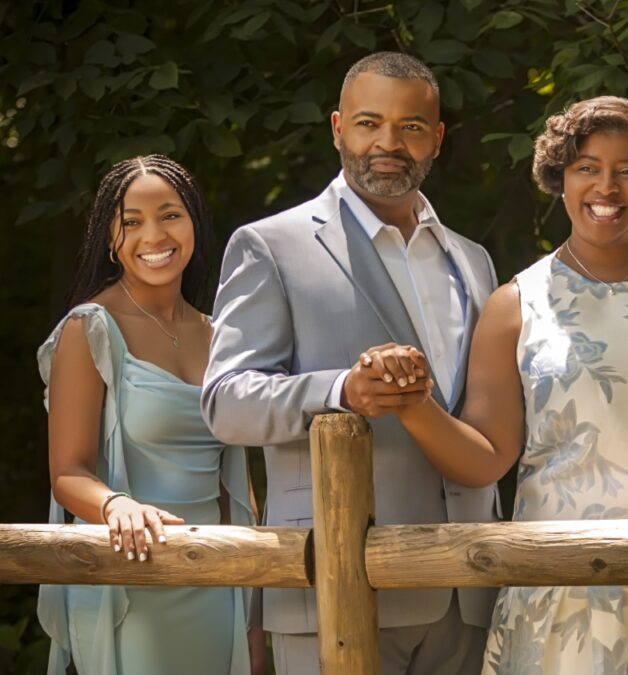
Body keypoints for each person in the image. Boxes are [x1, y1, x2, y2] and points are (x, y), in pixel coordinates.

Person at [368, 96, 628, 674]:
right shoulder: (516, 305)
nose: (607, 188)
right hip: (568, 592)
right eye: (587, 168)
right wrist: (412, 405)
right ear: (561, 179)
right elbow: (486, 459)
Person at [200, 52, 499, 675]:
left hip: (468, 585)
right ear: (338, 128)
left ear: (437, 139)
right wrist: (341, 389)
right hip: (335, 580)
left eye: (411, 127)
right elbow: (225, 402)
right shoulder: (271, 246)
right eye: (369, 123)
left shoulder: (473, 260)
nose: (388, 143)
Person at [37, 155, 262, 675]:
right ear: (110, 238)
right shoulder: (89, 329)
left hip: (216, 583)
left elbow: (236, 490)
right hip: (133, 582)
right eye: (131, 222)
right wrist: (116, 505)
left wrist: (252, 620)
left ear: (194, 223)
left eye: (170, 215)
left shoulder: (220, 335)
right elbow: (68, 473)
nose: (153, 235)